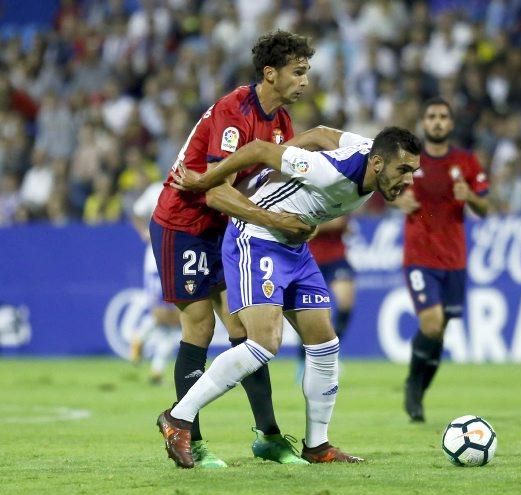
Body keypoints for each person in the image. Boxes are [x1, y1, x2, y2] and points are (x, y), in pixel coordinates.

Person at [156, 125, 422, 468]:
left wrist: (283, 169)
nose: (409, 180)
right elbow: (258, 149)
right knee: (264, 343)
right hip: (257, 237)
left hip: (294, 247)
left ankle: (318, 445)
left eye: (413, 171)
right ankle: (178, 419)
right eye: (403, 170)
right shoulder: (326, 172)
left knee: (325, 342)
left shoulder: (368, 151)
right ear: (377, 164)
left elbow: (323, 132)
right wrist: (208, 180)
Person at [149, 31, 316, 468]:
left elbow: (269, 184)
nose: (305, 81)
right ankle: (188, 438)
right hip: (182, 224)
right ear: (270, 74)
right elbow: (214, 193)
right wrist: (278, 222)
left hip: (225, 229)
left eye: (306, 72)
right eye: (297, 72)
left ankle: (269, 437)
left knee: (248, 334)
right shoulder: (234, 113)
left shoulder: (281, 123)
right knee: (200, 329)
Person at [393, 97, 491, 423]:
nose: (437, 121)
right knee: (431, 323)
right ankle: (411, 384)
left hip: (454, 259)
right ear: (424, 122)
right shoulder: (410, 160)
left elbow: (486, 208)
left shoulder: (466, 161)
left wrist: (471, 197)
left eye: (443, 117)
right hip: (419, 255)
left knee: (439, 332)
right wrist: (397, 200)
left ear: (450, 124)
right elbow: (383, 188)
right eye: (431, 116)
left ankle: (419, 392)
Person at [130, 181, 182, 385]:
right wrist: (145, 233)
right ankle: (141, 337)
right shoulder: (155, 189)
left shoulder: (190, 185)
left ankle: (157, 369)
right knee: (166, 315)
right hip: (156, 261)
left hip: (177, 259)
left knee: (178, 323)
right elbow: (136, 212)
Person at [299, 217, 356, 374]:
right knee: (307, 311)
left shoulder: (340, 194)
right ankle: (303, 361)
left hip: (337, 258)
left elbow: (344, 223)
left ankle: (330, 352)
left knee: (346, 301)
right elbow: (301, 225)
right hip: (309, 258)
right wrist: (330, 224)